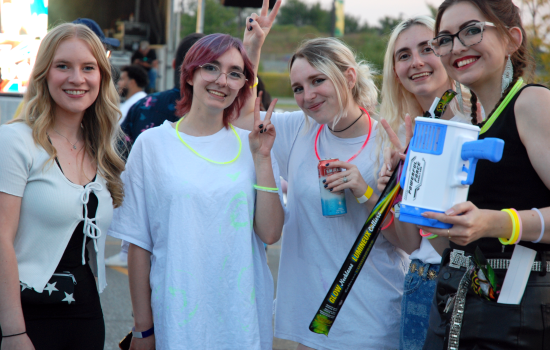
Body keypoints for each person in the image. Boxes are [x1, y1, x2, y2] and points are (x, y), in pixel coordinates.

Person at [234, 2, 409, 348]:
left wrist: (366, 192)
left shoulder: (387, 140)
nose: (307, 96)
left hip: (369, 322)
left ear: (348, 77)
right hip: (306, 319)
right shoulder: (299, 129)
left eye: (317, 81)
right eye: (298, 88)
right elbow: (240, 116)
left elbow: (408, 241)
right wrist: (253, 46)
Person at [107, 33, 284, 349]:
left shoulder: (254, 146)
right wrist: (142, 330)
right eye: (211, 68)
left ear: (244, 84)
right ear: (189, 74)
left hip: (241, 322)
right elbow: (138, 246)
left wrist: (264, 159)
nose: (222, 80)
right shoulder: (153, 146)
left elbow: (270, 233)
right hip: (176, 322)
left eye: (234, 73)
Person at [417, 1, 550, 348]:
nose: (457, 47)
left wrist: (498, 223)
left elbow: (490, 223)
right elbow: (451, 240)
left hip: (520, 315)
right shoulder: (468, 127)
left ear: (511, 39)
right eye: (444, 39)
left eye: (472, 30)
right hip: (456, 303)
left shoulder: (531, 103)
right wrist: (416, 190)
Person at [0, 23, 124, 349]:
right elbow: (1, 238)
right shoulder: (15, 141)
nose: (77, 78)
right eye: (63, 66)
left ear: (101, 77)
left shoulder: (102, 149)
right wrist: (12, 331)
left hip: (84, 316)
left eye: (88, 68)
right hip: (24, 317)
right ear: (44, 74)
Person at [375, 15, 476, 350]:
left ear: (446, 54)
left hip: (472, 290)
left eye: (427, 48)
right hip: (420, 284)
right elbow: (408, 242)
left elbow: (466, 245)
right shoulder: (405, 136)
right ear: (395, 70)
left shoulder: (477, 124)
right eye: (403, 55)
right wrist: (389, 192)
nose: (416, 62)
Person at [105, 34, 205, 269]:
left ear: (173, 65)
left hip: (149, 237)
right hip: (205, 237)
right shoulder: (227, 114)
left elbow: (115, 162)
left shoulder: (144, 108)